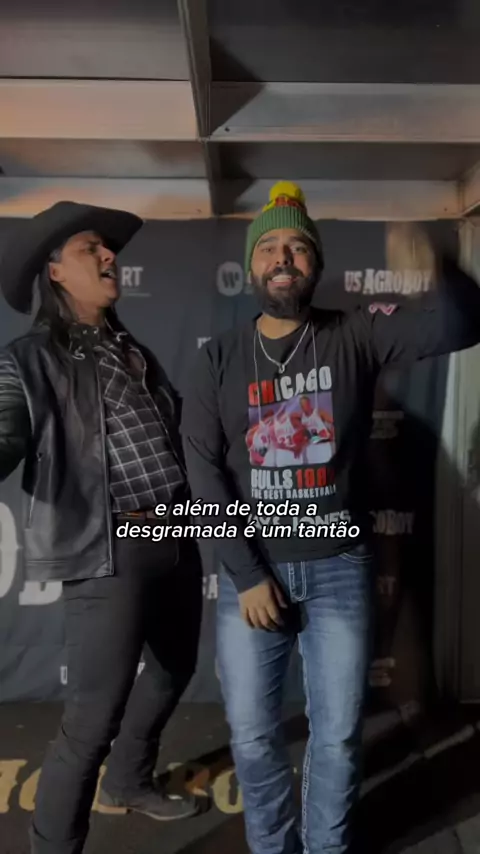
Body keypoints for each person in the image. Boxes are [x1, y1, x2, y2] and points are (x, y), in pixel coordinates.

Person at [180, 181, 480, 854]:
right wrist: (247, 576)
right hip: (252, 575)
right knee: (252, 736)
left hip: (340, 570)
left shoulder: (354, 333)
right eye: (270, 247)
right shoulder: (219, 358)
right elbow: (203, 473)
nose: (283, 257)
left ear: (314, 264)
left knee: (338, 736)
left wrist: (442, 264)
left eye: (297, 246)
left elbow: (463, 323)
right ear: (253, 265)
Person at [0, 201, 202, 854]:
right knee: (90, 723)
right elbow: (4, 433)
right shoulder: (27, 359)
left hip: (175, 531)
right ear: (56, 271)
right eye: (91, 249)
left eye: (107, 248)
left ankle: (128, 781)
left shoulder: (129, 349)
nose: (109, 255)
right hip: (108, 548)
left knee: (172, 671)